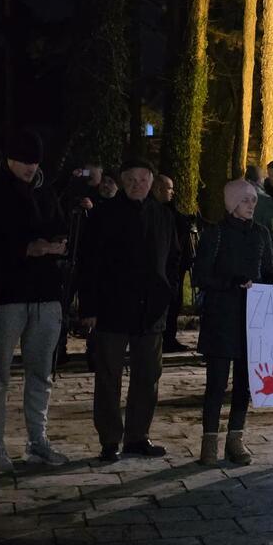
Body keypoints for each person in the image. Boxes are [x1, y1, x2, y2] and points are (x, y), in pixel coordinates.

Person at [0, 129, 70, 474]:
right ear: (8, 159)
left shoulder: (45, 189)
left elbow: (57, 222)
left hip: (45, 292)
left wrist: (57, 244)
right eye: (23, 160)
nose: (30, 167)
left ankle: (37, 441)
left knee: (41, 373)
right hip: (6, 295)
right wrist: (24, 249)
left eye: (35, 160)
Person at [79, 160, 179, 462]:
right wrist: (89, 308)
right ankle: (110, 438)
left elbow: (173, 259)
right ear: (123, 181)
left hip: (151, 311)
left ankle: (138, 435)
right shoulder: (103, 215)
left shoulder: (162, 216)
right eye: (132, 179)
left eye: (144, 179)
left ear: (152, 182)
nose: (138, 184)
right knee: (109, 376)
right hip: (113, 307)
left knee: (147, 376)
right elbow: (89, 264)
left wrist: (167, 295)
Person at [195, 180, 273, 466]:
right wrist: (228, 282)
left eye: (253, 200)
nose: (251, 205)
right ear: (232, 203)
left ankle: (235, 438)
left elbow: (268, 269)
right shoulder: (215, 234)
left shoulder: (261, 234)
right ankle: (209, 441)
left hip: (251, 319)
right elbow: (201, 275)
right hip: (222, 316)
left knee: (244, 383)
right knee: (217, 383)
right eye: (245, 200)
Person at [152, 174, 195, 353]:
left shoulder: (171, 211)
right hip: (166, 267)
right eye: (169, 188)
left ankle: (168, 337)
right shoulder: (158, 212)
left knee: (174, 303)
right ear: (159, 189)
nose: (172, 192)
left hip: (177, 266)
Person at [244, 164, 273, 236]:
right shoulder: (266, 199)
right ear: (260, 180)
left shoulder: (236, 196)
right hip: (260, 239)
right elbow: (272, 226)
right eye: (263, 177)